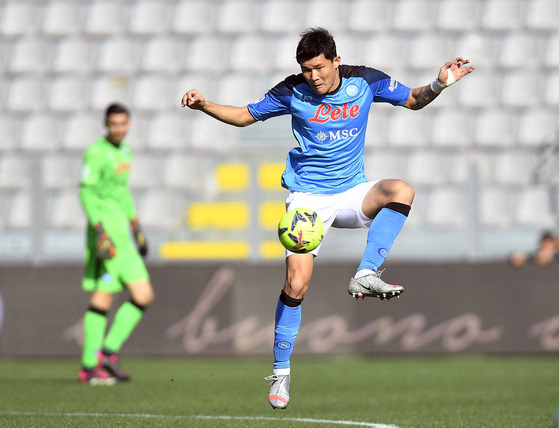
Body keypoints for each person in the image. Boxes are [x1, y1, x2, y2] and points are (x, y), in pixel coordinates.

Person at [181, 28, 474, 408]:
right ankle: (281, 374)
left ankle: (366, 273)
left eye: (318, 67)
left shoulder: (365, 80)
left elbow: (415, 100)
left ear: (335, 60)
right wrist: (204, 103)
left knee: (402, 190)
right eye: (306, 70)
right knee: (297, 282)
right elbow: (243, 116)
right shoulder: (291, 90)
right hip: (307, 200)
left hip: (352, 192)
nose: (313, 76)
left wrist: (439, 83)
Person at [78, 103, 154, 385]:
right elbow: (86, 192)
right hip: (106, 234)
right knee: (104, 295)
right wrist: (99, 229)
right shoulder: (96, 152)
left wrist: (136, 224)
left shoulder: (125, 151)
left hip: (123, 232)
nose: (119, 129)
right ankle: (89, 365)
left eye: (123, 124)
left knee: (143, 295)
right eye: (114, 125)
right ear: (106, 124)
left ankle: (106, 353)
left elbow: (122, 192)